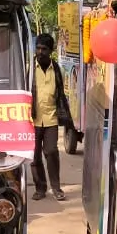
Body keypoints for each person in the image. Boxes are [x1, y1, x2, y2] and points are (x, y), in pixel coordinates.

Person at [30, 33, 71, 201]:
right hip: (31, 119)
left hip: (51, 118)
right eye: (38, 48)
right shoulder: (29, 68)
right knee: (34, 156)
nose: (40, 52)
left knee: (51, 151)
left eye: (44, 49)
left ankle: (56, 187)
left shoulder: (57, 69)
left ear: (51, 51)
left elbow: (61, 94)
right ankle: (40, 189)